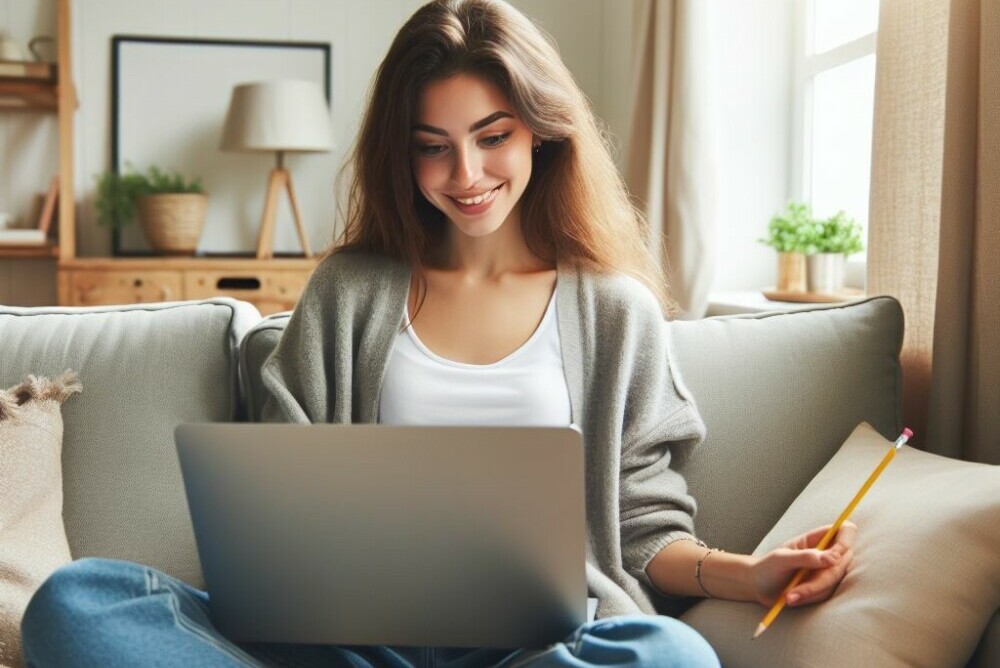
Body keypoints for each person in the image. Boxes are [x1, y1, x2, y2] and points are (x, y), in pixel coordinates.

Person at [21, 1, 856, 666]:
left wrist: (746, 575)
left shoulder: (613, 313)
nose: (467, 176)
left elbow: (641, 531)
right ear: (402, 155)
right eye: (434, 148)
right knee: (76, 601)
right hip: (344, 644)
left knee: (671, 657)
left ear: (541, 129)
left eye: (492, 137)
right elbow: (284, 500)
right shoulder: (349, 292)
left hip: (538, 649)